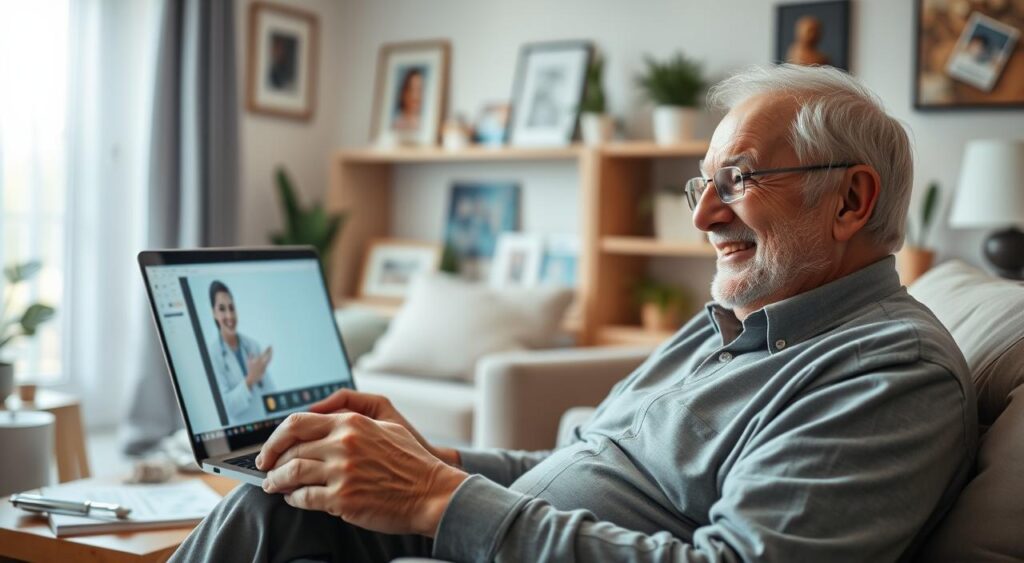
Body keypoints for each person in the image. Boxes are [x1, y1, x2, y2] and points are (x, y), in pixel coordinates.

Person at [172, 65, 977, 562]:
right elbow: (585, 466)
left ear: (851, 199)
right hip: (503, 538)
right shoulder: (732, 320)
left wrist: (435, 497)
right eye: (704, 185)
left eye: (738, 180)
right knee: (274, 495)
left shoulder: (890, 370)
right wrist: (428, 457)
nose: (702, 219)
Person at [207, 281, 275, 424]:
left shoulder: (252, 346)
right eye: (222, 309)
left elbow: (270, 392)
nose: (229, 315)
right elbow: (227, 408)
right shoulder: (212, 355)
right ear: (214, 313)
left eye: (232, 308)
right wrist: (250, 380)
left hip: (267, 425)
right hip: (240, 433)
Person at [392, 67, 425, 132]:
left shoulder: (426, 123)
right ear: (404, 93)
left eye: (419, 89)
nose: (416, 96)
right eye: (411, 89)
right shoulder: (395, 123)